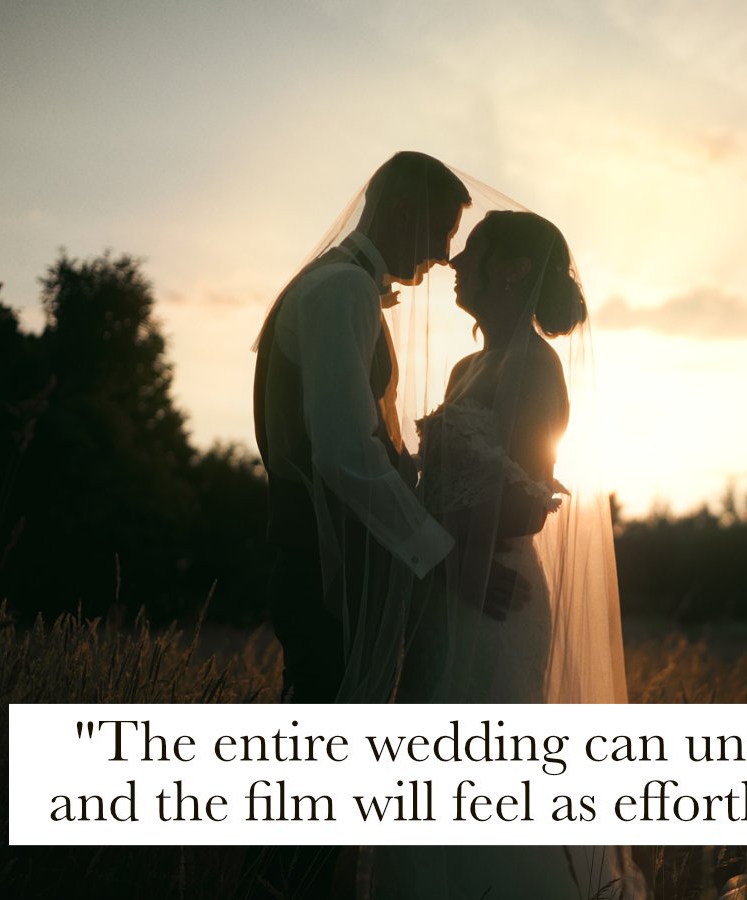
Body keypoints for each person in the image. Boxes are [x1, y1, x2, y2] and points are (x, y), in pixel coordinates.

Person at [367, 210, 645, 898]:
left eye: (474, 251)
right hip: (447, 584)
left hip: (494, 590)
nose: (456, 263)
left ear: (515, 269)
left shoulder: (535, 367)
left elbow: (530, 498)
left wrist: (460, 558)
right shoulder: (469, 365)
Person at [253, 151, 469, 707]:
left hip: (329, 562)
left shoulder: (338, 285)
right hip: (327, 571)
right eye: (443, 230)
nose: (446, 255)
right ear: (400, 211)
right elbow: (345, 452)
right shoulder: (342, 291)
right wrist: (435, 555)